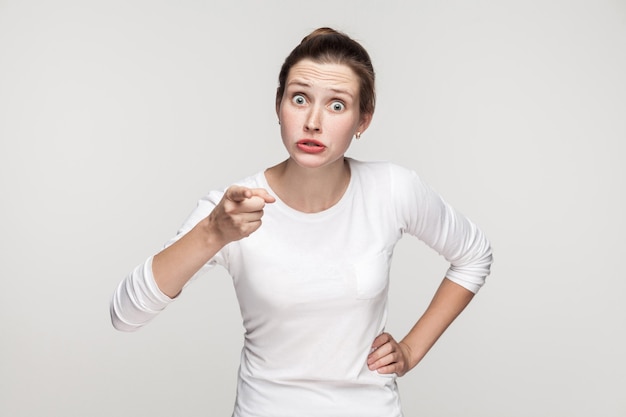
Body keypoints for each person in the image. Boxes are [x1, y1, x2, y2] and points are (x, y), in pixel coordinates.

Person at [110, 27, 493, 417]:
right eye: (299, 98)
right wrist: (212, 233)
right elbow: (125, 314)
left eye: (337, 106)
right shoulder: (232, 208)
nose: (313, 121)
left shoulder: (392, 189)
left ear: (363, 120)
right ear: (278, 105)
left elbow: (474, 255)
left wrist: (411, 350)